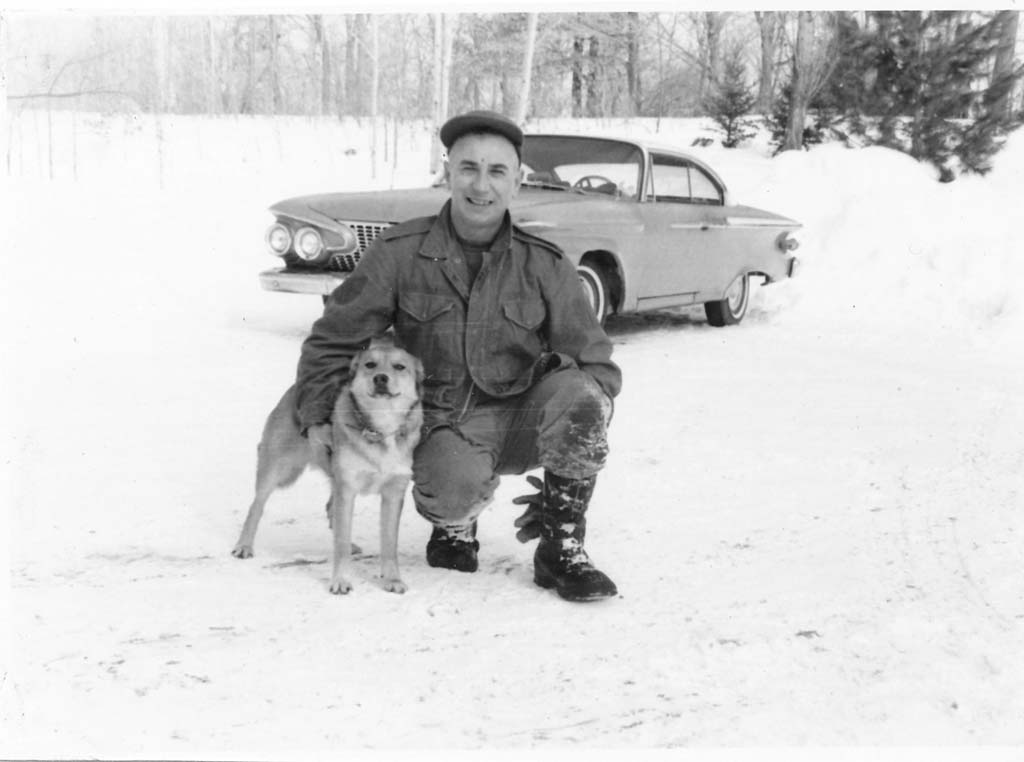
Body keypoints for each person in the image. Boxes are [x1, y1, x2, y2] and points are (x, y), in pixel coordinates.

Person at [294, 110, 622, 602]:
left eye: (497, 171)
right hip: (441, 424)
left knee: (582, 393)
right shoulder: (399, 252)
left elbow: (597, 365)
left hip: (520, 415)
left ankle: (561, 544)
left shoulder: (544, 262)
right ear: (447, 172)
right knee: (451, 490)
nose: (480, 186)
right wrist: (318, 417)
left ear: (517, 180)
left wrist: (571, 472)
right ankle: (454, 527)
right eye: (468, 168)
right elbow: (333, 340)